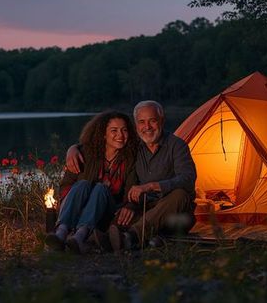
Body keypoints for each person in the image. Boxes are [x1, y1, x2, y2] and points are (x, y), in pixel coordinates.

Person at [66, 100, 196, 251]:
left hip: (175, 215)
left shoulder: (177, 145)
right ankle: (140, 238)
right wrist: (73, 148)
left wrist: (153, 186)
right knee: (122, 214)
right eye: (141, 122)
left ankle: (131, 236)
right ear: (136, 125)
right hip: (144, 211)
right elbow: (103, 144)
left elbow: (188, 178)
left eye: (152, 121)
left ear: (162, 120)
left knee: (180, 194)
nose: (147, 127)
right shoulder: (133, 148)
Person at [45, 110, 139, 254]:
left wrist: (130, 205)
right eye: (114, 130)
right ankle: (61, 233)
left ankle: (80, 236)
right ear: (103, 134)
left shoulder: (130, 158)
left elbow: (130, 191)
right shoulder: (85, 153)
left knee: (100, 188)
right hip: (76, 207)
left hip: (107, 212)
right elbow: (66, 186)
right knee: (83, 184)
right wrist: (72, 148)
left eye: (124, 130)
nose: (120, 135)